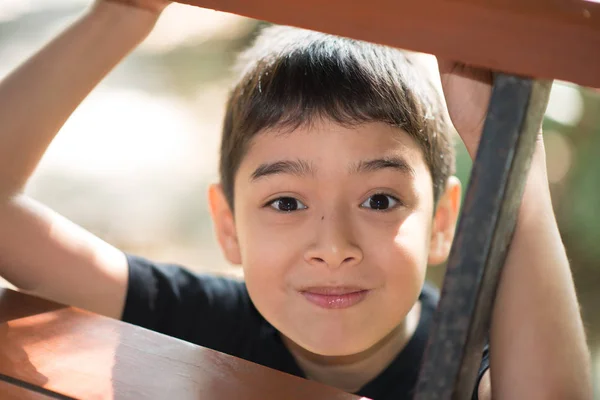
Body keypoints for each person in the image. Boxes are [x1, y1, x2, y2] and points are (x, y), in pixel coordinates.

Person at [0, 0, 591, 399]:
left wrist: (509, 153)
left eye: (380, 200)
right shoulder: (200, 323)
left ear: (441, 221)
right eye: (286, 203)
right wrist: (123, 14)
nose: (333, 248)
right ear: (227, 227)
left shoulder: (475, 364)